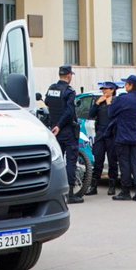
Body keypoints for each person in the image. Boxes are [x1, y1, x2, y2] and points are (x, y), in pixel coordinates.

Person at [44, 64, 83, 204]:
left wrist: (56, 124)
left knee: (56, 161)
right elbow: (69, 112)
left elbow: (47, 102)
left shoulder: (52, 89)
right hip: (66, 130)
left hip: (54, 130)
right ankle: (70, 193)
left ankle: (55, 191)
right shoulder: (69, 91)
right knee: (71, 161)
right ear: (68, 76)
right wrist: (60, 126)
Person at [109, 74, 136, 201]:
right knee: (135, 162)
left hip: (123, 136)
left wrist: (110, 103)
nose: (125, 85)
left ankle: (125, 191)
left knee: (124, 163)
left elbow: (111, 113)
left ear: (131, 85)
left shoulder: (123, 99)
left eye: (126, 83)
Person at [85, 81, 120, 195]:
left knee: (112, 161)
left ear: (112, 90)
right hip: (100, 135)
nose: (104, 91)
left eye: (106, 89)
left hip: (111, 136)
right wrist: (96, 104)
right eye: (103, 89)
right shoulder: (99, 101)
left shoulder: (116, 101)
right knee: (98, 160)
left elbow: (114, 116)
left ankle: (112, 186)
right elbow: (90, 115)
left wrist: (109, 104)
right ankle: (93, 187)